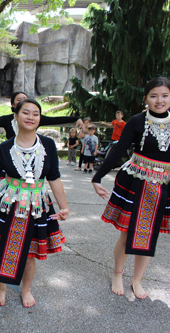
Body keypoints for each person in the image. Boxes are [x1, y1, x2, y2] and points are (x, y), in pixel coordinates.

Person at [0, 99, 69, 308]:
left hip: (37, 205)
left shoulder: (48, 145)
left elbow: (54, 177)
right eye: (26, 113)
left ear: (40, 119)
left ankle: (26, 289)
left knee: (30, 253)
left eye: (35, 114)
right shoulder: (5, 147)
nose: (31, 117)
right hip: (9, 204)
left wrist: (64, 206)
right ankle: (1, 288)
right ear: (16, 116)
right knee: (4, 247)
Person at [92, 77, 170, 300]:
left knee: (149, 235)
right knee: (126, 235)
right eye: (154, 95)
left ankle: (137, 280)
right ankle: (118, 274)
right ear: (146, 98)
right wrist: (97, 178)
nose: (159, 100)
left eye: (165, 95)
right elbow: (117, 152)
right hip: (136, 182)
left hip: (163, 186)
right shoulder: (136, 121)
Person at [0, 91, 82, 139]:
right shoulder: (6, 120)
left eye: (25, 99)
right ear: (13, 104)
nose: (23, 101)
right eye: (19, 99)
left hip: (31, 155)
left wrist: (77, 118)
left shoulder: (35, 119)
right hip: (11, 155)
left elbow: (57, 120)